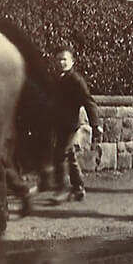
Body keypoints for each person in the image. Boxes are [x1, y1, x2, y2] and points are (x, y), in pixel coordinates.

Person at [48, 45, 102, 201]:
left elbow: (88, 101)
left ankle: (62, 189)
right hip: (59, 124)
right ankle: (78, 188)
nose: (61, 63)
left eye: (64, 59)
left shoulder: (75, 80)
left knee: (60, 155)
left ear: (72, 62)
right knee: (69, 155)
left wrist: (95, 123)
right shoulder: (56, 78)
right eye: (58, 59)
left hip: (71, 125)